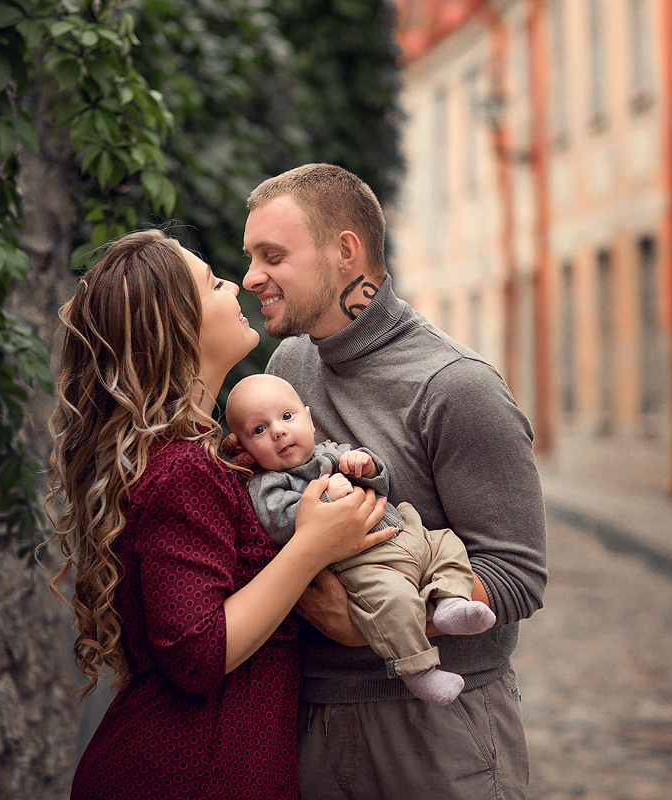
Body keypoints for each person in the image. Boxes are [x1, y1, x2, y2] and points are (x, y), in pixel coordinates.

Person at [43, 229, 394, 800]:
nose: (235, 283)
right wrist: (311, 546)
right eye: (212, 282)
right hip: (191, 769)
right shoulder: (183, 466)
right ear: (178, 325)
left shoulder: (204, 452)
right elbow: (197, 652)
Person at [242, 164, 548, 799]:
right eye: (250, 258)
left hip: (438, 734)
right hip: (310, 721)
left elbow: (518, 575)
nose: (251, 278)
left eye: (273, 256)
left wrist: (369, 623)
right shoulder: (286, 369)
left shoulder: (457, 387)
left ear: (345, 251)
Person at [224, 373, 497, 706]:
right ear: (245, 448)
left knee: (447, 543)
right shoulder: (268, 485)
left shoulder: (331, 453)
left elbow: (382, 483)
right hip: (364, 564)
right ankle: (418, 670)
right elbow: (280, 523)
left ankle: (450, 601)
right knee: (393, 603)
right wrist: (327, 500)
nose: (278, 431)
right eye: (259, 430)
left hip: (406, 534)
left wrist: (366, 466)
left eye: (286, 417)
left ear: (309, 420)